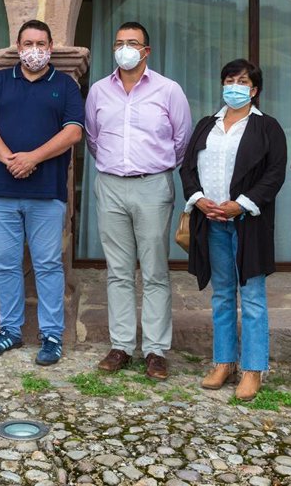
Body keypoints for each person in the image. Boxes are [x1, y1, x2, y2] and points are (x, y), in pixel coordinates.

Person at [84, 21, 192, 381]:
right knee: (118, 271)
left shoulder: (168, 90)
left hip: (152, 186)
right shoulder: (99, 91)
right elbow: (93, 138)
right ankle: (121, 346)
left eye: (132, 43)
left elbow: (181, 140)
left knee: (155, 270)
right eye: (119, 43)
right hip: (111, 185)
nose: (125, 49)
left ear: (147, 51)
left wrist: (153, 166)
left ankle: (156, 350)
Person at [0, 20, 84, 366]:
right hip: (1, 192)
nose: (34, 50)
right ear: (18, 48)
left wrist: (33, 158)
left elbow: (73, 132)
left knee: (48, 265)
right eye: (28, 44)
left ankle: (51, 335)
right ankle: (9, 330)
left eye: (41, 44)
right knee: (6, 265)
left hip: (47, 194)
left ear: (50, 48)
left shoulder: (65, 85)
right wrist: (11, 159)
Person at [180, 59, 287, 402]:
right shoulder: (206, 125)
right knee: (222, 295)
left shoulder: (267, 127)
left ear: (254, 90)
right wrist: (199, 200)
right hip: (211, 222)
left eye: (242, 82)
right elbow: (187, 168)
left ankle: (253, 368)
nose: (235, 87)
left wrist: (241, 204)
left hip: (248, 223)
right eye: (229, 80)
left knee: (252, 296)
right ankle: (223, 362)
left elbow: (275, 174)